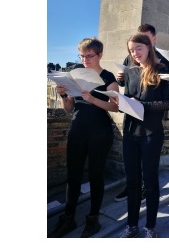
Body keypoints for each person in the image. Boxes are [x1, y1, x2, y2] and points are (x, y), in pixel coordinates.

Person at [49, 38, 119, 238]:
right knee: (73, 176)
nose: (85, 59)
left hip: (100, 131)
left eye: (89, 56)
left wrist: (93, 99)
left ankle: (93, 219)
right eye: (82, 56)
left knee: (96, 176)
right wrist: (63, 95)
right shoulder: (75, 74)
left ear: (100, 55)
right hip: (78, 128)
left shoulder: (108, 77)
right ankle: (68, 218)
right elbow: (70, 108)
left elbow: (116, 106)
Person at [115, 33, 169, 238]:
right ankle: (132, 225)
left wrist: (143, 106)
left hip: (151, 134)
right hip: (131, 133)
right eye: (131, 50)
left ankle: (150, 227)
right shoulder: (130, 72)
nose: (135, 53)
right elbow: (129, 101)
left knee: (150, 182)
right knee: (132, 181)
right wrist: (121, 102)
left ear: (149, 47)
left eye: (138, 48)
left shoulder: (162, 70)